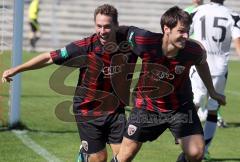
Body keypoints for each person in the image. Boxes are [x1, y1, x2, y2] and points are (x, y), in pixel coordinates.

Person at [2, 4, 138, 162]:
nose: (102, 31)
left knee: (125, 156)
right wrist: (17, 69)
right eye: (98, 26)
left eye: (107, 27)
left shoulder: (130, 43)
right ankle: (85, 155)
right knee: (100, 159)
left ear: (116, 25)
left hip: (115, 110)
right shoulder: (85, 47)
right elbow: (49, 57)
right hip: (88, 110)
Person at [111, 6, 226, 162]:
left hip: (180, 108)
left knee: (196, 153)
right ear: (167, 29)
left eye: (188, 31)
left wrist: (211, 91)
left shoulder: (193, 50)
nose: (186, 35)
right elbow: (124, 31)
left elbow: (202, 63)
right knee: (125, 156)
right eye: (181, 31)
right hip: (147, 107)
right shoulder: (145, 41)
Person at [189, 0, 240, 160]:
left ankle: (188, 144)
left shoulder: (197, 11)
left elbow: (183, 34)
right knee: (212, 110)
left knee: (194, 104)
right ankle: (203, 150)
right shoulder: (233, 15)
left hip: (198, 64)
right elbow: (238, 42)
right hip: (219, 69)